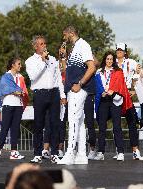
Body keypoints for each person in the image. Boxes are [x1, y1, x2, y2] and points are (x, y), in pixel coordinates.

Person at [58, 26, 96, 165]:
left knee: (73, 119)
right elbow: (65, 69)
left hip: (78, 88)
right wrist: (63, 57)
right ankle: (81, 154)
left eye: (65, 35)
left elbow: (92, 67)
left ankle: (69, 153)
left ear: (71, 33)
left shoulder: (83, 45)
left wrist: (80, 84)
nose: (64, 38)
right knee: (79, 121)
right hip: (72, 88)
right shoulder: (74, 48)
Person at [25, 35, 66, 164]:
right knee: (38, 124)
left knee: (55, 124)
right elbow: (33, 76)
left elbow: (58, 77)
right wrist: (43, 62)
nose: (44, 46)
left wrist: (62, 95)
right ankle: (37, 153)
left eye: (44, 43)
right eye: (41, 44)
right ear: (35, 46)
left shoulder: (53, 59)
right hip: (40, 93)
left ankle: (54, 153)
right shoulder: (30, 61)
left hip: (54, 93)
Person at [93, 51, 132, 161]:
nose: (109, 61)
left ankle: (120, 152)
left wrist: (113, 92)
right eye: (107, 59)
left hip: (115, 100)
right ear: (104, 60)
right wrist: (102, 92)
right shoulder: (99, 72)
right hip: (103, 100)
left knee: (117, 126)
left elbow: (121, 87)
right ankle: (101, 152)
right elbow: (97, 86)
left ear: (113, 60)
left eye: (111, 59)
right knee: (102, 127)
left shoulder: (118, 72)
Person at [0, 57, 28, 160]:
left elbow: (22, 91)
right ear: (13, 65)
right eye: (19, 64)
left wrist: (18, 92)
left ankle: (14, 152)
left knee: (15, 129)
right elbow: (4, 89)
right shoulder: (5, 77)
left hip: (18, 105)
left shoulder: (21, 77)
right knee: (5, 127)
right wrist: (14, 91)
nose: (20, 66)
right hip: (8, 104)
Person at [115, 43, 141, 159]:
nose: (119, 51)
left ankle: (135, 150)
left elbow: (140, 72)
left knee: (131, 123)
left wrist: (134, 90)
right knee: (116, 124)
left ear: (125, 51)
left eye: (121, 50)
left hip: (127, 94)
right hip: (115, 95)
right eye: (117, 50)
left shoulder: (131, 62)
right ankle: (119, 151)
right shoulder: (113, 62)